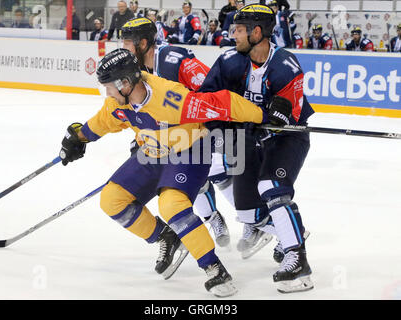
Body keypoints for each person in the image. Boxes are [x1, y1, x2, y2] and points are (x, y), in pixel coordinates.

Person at [58, 48, 287, 297]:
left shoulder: (172, 98)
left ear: (124, 83)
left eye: (109, 87)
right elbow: (105, 120)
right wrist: (78, 138)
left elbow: (223, 103)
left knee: (172, 205)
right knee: (112, 199)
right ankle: (166, 237)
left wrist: (264, 116)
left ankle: (214, 268)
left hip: (190, 150)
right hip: (154, 151)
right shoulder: (118, 102)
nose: (108, 93)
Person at [199, 3, 315, 293]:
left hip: (286, 138)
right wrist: (218, 127)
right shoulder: (228, 61)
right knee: (248, 213)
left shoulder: (286, 66)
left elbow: (285, 118)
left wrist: (273, 117)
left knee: (271, 186)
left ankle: (297, 260)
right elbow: (206, 100)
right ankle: (292, 230)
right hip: (245, 139)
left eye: (238, 30)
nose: (232, 35)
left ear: (258, 32)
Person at [120, 18, 232, 247]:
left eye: (127, 43)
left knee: (221, 171)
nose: (123, 49)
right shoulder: (136, 71)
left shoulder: (174, 60)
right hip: (175, 137)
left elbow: (212, 87)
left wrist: (217, 123)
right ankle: (213, 217)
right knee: (190, 182)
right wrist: (139, 138)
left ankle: (253, 219)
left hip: (204, 130)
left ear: (142, 43)